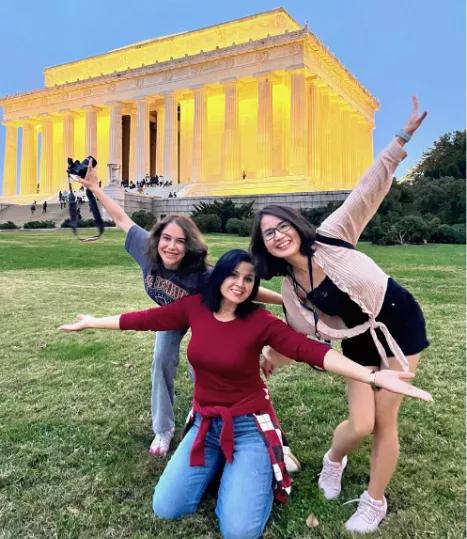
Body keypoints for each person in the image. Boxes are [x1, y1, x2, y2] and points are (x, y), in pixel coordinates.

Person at [60, 249, 431, 539]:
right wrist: (92, 322)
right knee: (167, 507)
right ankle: (227, 466)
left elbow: (314, 351)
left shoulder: (260, 321)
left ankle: (266, 461)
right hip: (205, 424)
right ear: (219, 276)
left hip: (249, 426)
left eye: (249, 279)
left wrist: (371, 374)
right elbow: (142, 320)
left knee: (239, 531)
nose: (240, 284)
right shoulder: (194, 309)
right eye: (233, 275)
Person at [250, 97, 429, 533]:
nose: (278, 235)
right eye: (268, 233)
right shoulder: (292, 290)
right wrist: (273, 357)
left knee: (385, 420)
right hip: (357, 343)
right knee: (360, 423)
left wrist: (401, 137)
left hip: (401, 324)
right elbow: (301, 337)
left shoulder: (332, 236)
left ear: (296, 224)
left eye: (282, 226)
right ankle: (334, 460)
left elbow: (368, 188)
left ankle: (374, 500)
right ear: (265, 246)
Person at [75, 167, 284, 462]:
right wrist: (96, 189)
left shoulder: (201, 274)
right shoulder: (144, 249)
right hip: (170, 317)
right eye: (167, 239)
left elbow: (247, 292)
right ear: (157, 239)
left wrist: (286, 301)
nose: (171, 246)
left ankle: (202, 409)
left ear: (188, 246)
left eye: (180, 241)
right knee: (161, 360)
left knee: (202, 364)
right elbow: (122, 218)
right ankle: (163, 429)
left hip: (203, 317)